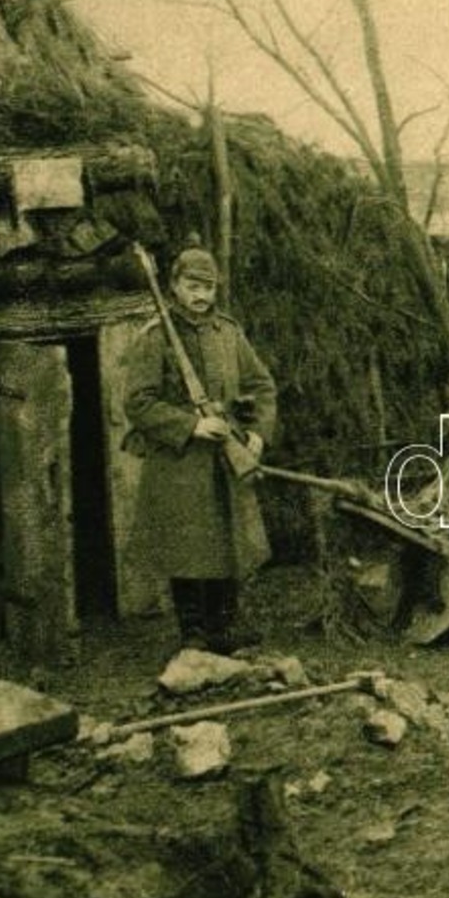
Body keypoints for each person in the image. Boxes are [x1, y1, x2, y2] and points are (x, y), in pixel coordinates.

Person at [122, 244, 277, 655]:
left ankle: (224, 626)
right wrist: (192, 425)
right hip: (180, 460)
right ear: (174, 286)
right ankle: (192, 632)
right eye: (193, 285)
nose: (201, 295)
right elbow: (138, 402)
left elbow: (262, 386)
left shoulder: (228, 332)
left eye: (208, 287)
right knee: (186, 547)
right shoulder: (156, 336)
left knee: (229, 540)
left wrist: (258, 433)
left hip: (227, 453)